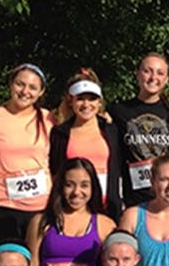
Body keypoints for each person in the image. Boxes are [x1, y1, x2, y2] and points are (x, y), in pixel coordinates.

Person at [0, 63, 55, 244]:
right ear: (11, 84)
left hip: (41, 206)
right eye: (20, 84)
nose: (25, 91)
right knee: (6, 264)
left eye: (33, 87)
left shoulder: (48, 118)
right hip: (4, 205)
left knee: (37, 264)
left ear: (41, 92)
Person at [25, 158, 115, 266]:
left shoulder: (105, 225)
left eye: (84, 185)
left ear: (93, 188)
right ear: (60, 186)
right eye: (69, 185)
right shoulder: (41, 222)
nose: (76, 192)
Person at [50, 69, 124, 220]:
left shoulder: (111, 130)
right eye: (80, 99)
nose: (86, 104)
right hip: (73, 205)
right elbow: (54, 171)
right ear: (71, 101)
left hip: (106, 207)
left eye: (92, 99)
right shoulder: (60, 133)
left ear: (99, 102)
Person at [108, 53, 169, 207]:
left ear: (166, 79)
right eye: (148, 71)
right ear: (137, 74)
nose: (153, 77)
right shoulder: (118, 111)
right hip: (134, 198)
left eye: (160, 73)